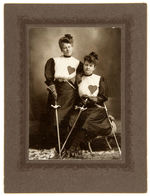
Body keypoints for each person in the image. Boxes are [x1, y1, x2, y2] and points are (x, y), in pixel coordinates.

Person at [67, 52, 113, 157]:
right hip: (83, 108)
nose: (88, 67)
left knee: (89, 120)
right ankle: (76, 146)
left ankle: (73, 147)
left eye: (90, 66)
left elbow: (103, 97)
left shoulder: (99, 79)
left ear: (94, 67)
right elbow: (75, 96)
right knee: (72, 119)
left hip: (97, 109)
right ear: (83, 65)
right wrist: (80, 101)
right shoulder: (79, 79)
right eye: (86, 65)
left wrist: (95, 99)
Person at [44, 34, 83, 156]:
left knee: (67, 119)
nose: (67, 49)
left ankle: (66, 147)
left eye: (69, 46)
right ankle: (57, 146)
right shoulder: (54, 60)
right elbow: (49, 76)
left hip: (69, 93)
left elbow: (79, 81)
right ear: (61, 49)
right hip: (56, 90)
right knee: (54, 119)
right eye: (64, 47)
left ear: (72, 47)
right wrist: (53, 90)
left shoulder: (77, 63)